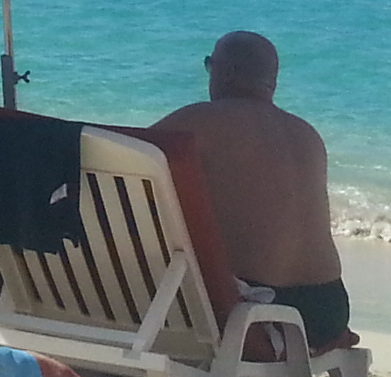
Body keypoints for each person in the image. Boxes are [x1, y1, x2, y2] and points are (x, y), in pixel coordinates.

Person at [148, 30, 353, 353]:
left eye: (210, 64)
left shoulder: (201, 120)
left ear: (227, 71)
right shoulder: (307, 134)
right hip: (327, 309)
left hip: (253, 307)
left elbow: (124, 156)